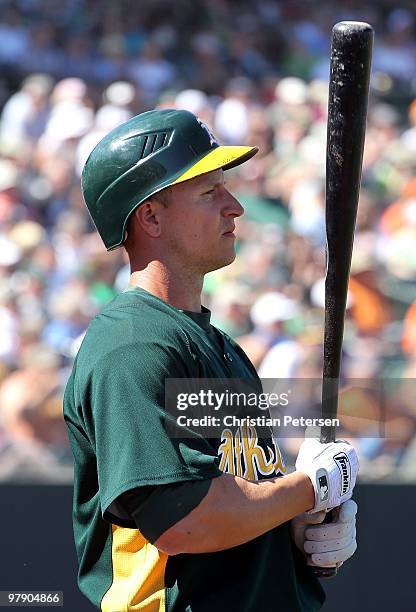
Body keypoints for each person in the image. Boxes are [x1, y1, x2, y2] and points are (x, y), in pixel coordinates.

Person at [63, 109, 359, 611]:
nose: (236, 206)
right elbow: (184, 521)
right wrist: (310, 487)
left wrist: (298, 530)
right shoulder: (134, 345)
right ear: (150, 217)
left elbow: (237, 501)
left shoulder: (218, 344)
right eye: (208, 192)